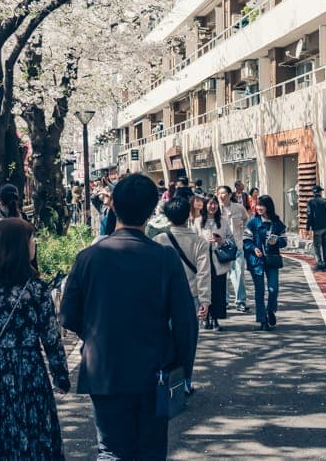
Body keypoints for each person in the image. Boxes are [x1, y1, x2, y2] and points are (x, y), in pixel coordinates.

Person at [60, 174, 196, 461]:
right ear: (151, 210)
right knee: (151, 449)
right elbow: (185, 321)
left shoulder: (88, 257)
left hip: (105, 367)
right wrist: (183, 369)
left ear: (114, 206)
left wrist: (96, 335)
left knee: (111, 449)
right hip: (154, 369)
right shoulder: (164, 258)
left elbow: (69, 316)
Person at [0, 218, 69, 460]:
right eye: (31, 238)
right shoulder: (36, 289)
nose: (35, 242)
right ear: (20, 246)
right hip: (29, 370)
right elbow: (51, 338)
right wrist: (60, 376)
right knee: (33, 431)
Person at [153, 196, 210, 393]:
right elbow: (203, 273)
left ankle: (164, 377)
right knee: (187, 341)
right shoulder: (199, 242)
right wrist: (205, 301)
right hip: (190, 298)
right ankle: (185, 382)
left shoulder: (159, 240)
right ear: (188, 215)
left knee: (164, 338)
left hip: (163, 298)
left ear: (167, 217)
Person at [243, 194, 287, 330]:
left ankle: (270, 310)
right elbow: (245, 240)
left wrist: (277, 241)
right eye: (258, 205)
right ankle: (262, 320)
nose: (259, 208)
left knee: (273, 289)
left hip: (272, 259)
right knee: (259, 290)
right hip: (256, 261)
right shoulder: (252, 222)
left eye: (262, 205)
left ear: (268, 206)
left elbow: (284, 241)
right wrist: (254, 248)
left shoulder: (277, 223)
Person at [194, 195, 231, 331]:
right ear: (204, 205)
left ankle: (215, 319)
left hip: (218, 262)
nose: (212, 206)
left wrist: (221, 241)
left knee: (217, 291)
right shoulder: (197, 222)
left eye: (215, 203)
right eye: (210, 203)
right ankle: (205, 317)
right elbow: (193, 240)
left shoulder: (223, 221)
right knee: (204, 290)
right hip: (202, 261)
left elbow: (231, 240)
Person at [218, 185, 249, 313]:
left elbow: (246, 219)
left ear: (230, 195)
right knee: (222, 276)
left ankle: (240, 301)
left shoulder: (239, 208)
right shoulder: (215, 209)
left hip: (237, 245)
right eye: (219, 193)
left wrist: (242, 231)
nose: (221, 196)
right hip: (221, 247)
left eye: (224, 193)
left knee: (238, 274)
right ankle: (224, 301)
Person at [305, 185, 326, 271]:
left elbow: (309, 216)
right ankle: (325, 264)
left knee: (317, 246)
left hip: (317, 228)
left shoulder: (311, 202)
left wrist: (307, 228)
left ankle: (319, 263)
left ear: (313, 193)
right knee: (325, 246)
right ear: (320, 192)